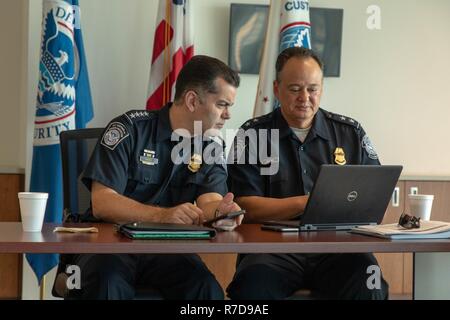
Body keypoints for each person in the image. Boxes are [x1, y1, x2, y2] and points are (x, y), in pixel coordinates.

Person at [69, 55, 242, 300]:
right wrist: (163, 215)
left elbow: (210, 200)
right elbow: (102, 202)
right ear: (192, 100)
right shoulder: (129, 129)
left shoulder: (208, 145)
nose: (227, 115)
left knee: (206, 290)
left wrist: (222, 213)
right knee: (108, 285)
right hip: (110, 243)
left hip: (165, 247)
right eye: (222, 104)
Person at [227, 47, 388, 300]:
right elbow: (243, 206)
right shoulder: (251, 135)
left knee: (371, 283)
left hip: (339, 250)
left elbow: (373, 198)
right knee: (250, 288)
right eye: (294, 89)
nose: (305, 97)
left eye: (312, 89)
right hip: (271, 251)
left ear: (321, 89)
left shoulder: (350, 133)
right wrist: (308, 202)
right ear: (277, 89)